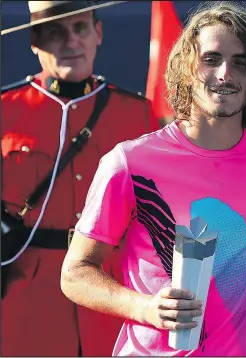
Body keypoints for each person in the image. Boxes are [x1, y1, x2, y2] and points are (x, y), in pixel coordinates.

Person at [60, 2, 246, 356]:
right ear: (185, 68)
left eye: (240, 62)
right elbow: (75, 273)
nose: (225, 74)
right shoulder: (130, 162)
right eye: (211, 59)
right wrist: (145, 308)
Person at [1, 1, 158, 356]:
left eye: (80, 28)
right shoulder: (6, 111)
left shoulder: (135, 113)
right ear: (34, 40)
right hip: (27, 302)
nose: (70, 41)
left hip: (109, 293)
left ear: (98, 33)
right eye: (55, 31)